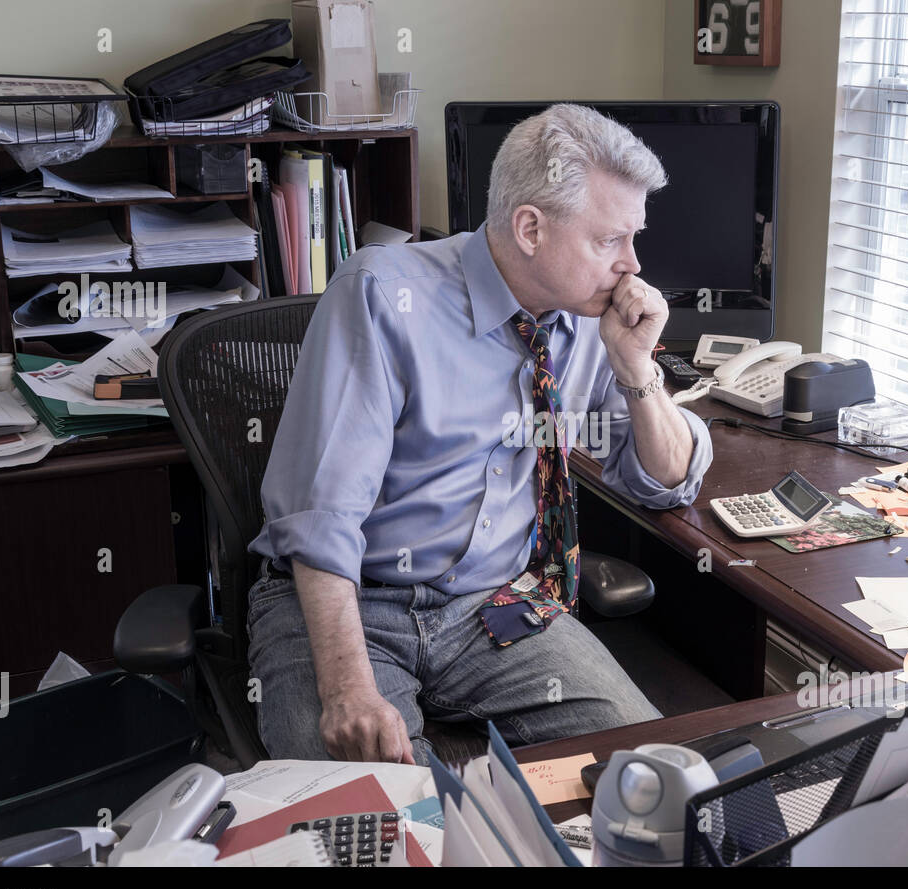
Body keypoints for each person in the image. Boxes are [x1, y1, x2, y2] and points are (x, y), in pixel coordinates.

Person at [247, 103, 714, 765]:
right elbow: (321, 517)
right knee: (376, 810)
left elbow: (664, 482)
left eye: (633, 238)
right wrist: (348, 688)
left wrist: (638, 370)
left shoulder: (593, 321)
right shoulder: (383, 296)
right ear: (530, 228)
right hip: (350, 601)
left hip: (495, 605)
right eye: (610, 240)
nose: (631, 266)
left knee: (653, 769)